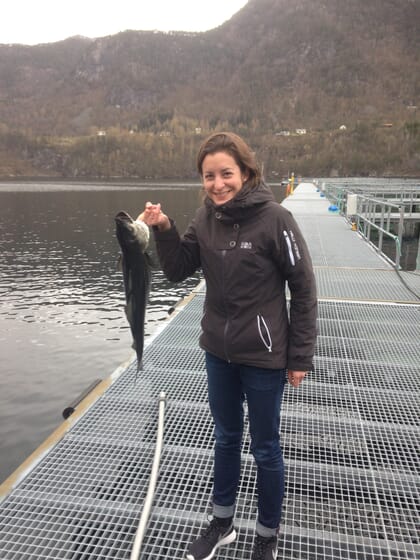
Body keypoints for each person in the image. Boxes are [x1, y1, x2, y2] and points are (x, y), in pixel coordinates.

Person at [138, 132, 317, 560]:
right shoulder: (205, 219)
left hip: (264, 356)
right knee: (225, 437)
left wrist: (299, 357)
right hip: (218, 353)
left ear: (246, 173)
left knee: (266, 447)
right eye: (209, 176)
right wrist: (164, 227)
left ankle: (268, 534)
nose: (218, 184)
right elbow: (178, 269)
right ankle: (222, 523)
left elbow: (304, 289)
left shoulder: (276, 220)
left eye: (226, 174)